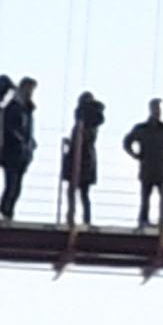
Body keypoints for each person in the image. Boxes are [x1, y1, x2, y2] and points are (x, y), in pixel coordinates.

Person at [0, 77, 40, 221]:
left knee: (17, 186)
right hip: (12, 152)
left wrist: (31, 145)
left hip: (23, 154)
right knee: (11, 184)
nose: (30, 93)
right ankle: (5, 211)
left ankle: (8, 210)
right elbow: (9, 128)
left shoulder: (28, 110)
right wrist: (21, 142)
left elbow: (27, 130)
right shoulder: (14, 107)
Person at [125, 99, 163, 231]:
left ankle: (162, 221)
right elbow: (127, 142)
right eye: (156, 108)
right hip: (147, 168)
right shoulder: (141, 128)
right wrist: (136, 155)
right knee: (145, 197)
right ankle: (143, 220)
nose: (158, 112)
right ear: (150, 109)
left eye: (160, 109)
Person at [58, 89, 105, 228]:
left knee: (75, 189)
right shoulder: (94, 120)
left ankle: (73, 216)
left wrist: (72, 143)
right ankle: (84, 218)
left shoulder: (84, 119)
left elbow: (82, 138)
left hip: (79, 157)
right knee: (83, 191)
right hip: (87, 157)